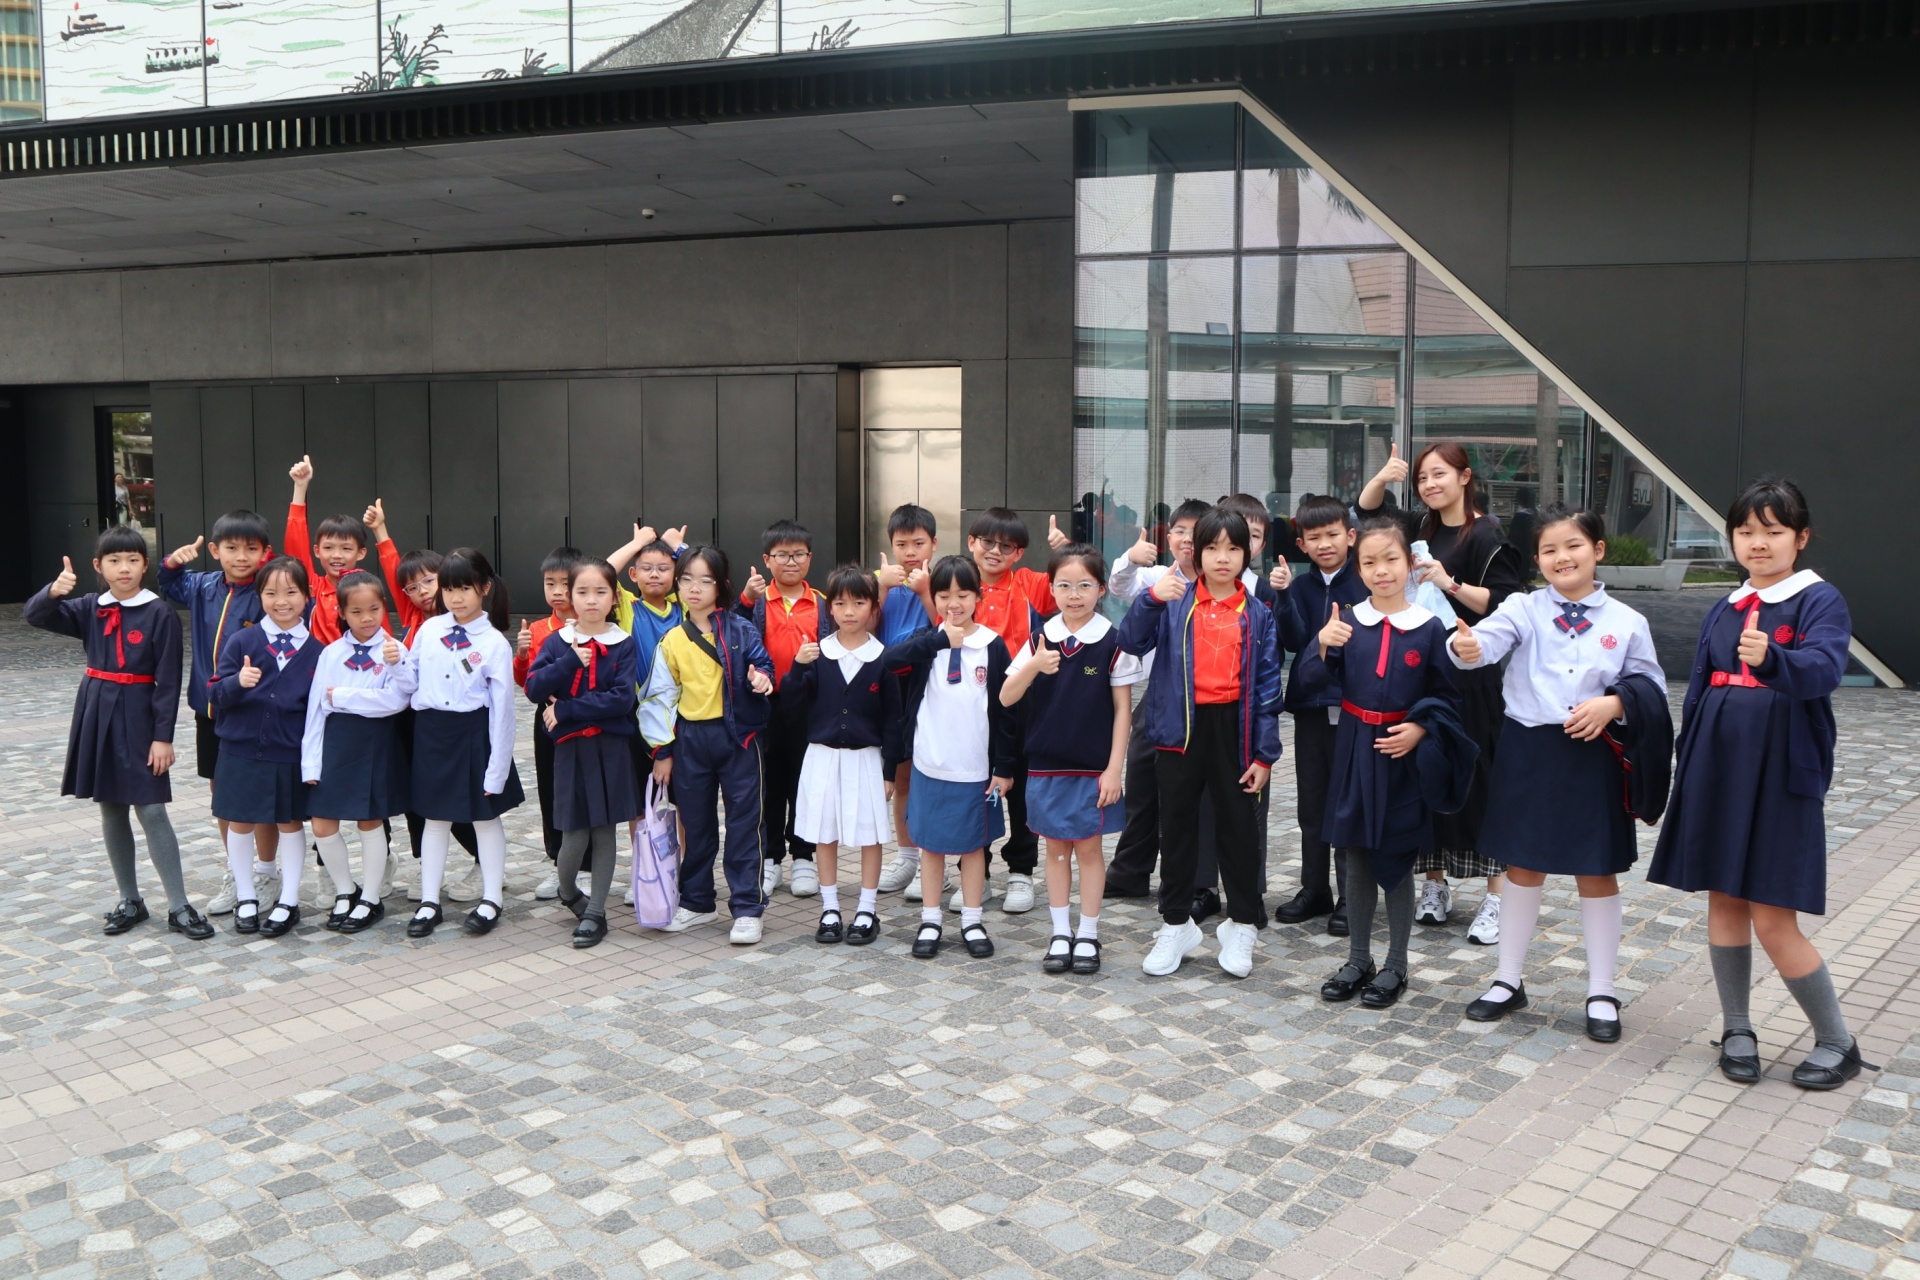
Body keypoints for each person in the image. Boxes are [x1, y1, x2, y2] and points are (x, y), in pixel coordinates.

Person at [1648, 479, 1872, 1090]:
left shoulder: (1819, 601)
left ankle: (1838, 1041)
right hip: (1717, 766)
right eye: (1745, 531)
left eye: (1773, 531)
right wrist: (1687, 760)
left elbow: (1823, 671)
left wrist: (1772, 659)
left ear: (1800, 538)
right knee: (1724, 899)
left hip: (1778, 771)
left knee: (1774, 915)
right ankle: (1737, 1028)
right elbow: (1700, 688)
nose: (1758, 543)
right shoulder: (1727, 604)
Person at [1449, 505, 1668, 1042]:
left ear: (1598, 550)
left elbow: (1652, 687)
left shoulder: (1627, 621)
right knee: (1523, 867)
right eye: (1549, 549)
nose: (1561, 557)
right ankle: (1507, 980)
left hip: (1594, 755)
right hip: (1530, 751)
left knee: (1597, 871)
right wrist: (1465, 646)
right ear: (1538, 559)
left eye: (1573, 545)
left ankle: (1602, 991)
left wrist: (1615, 703)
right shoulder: (1522, 608)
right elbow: (1483, 645)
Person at [1297, 517, 1475, 1010]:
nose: (1381, 570)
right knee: (1355, 854)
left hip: (1402, 756)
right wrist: (1322, 644)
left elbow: (1447, 698)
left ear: (1410, 564)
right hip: (1355, 748)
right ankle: (1358, 958)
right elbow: (1309, 682)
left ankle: (1397, 964)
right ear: (1359, 568)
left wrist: (1420, 729)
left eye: (1391, 559)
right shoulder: (1348, 622)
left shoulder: (1429, 628)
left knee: (1396, 858)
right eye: (1370, 562)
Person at [1357, 441, 1525, 945]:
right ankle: (1435, 884)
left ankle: (1497, 896)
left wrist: (1449, 584)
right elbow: (1367, 513)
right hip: (1424, 671)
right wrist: (1383, 476)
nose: (1429, 485)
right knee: (1427, 773)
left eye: (1439, 475)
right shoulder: (1420, 528)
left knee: (1480, 776)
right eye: (1422, 479)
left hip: (1473, 672)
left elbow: (1505, 602)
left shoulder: (1487, 534)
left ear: (1465, 476)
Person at [1118, 507, 1282, 980]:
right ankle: (1176, 924)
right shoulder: (1173, 600)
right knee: (1177, 829)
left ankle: (1242, 923)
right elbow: (1129, 641)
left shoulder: (1258, 614)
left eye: (1233, 548)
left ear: (1247, 553)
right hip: (1180, 730)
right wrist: (1151, 598)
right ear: (1197, 551)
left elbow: (1268, 689)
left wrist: (1264, 755)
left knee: (1239, 829)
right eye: (1212, 547)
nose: (1222, 557)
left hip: (1235, 731)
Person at [27, 533, 211, 940]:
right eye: (114, 560)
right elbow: (35, 616)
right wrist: (53, 592)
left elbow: (168, 681)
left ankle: (179, 905)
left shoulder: (159, 612)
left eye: (132, 559)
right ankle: (130, 900)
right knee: (110, 806)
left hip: (140, 716)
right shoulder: (89, 607)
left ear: (145, 565)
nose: (124, 568)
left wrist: (163, 737)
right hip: (96, 711)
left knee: (151, 809)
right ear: (99, 566)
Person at [999, 543, 1141, 976]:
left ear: (1101, 589)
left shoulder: (1114, 641)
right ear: (1051, 588)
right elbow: (1006, 696)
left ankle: (1089, 933)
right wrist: (1034, 666)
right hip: (1044, 766)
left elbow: (1123, 710)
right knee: (1055, 850)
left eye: (1084, 585)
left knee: (1090, 850)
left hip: (1093, 769)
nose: (1074, 594)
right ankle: (1060, 933)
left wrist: (1114, 769)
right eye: (1064, 585)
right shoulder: (1039, 638)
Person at [640, 545, 775, 944]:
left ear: (721, 586)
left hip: (739, 738)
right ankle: (697, 902)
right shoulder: (672, 640)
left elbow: (763, 664)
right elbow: (658, 699)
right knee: (696, 826)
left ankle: (747, 907)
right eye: (686, 580)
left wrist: (762, 679)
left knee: (744, 825)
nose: (694, 588)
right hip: (691, 741)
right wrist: (663, 752)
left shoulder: (741, 629)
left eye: (704, 580)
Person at [884, 555, 1016, 960]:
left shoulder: (992, 646)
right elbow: (888, 662)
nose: (953, 603)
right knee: (931, 846)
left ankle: (972, 919)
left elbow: (1006, 711)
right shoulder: (927, 642)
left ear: (979, 596)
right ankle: (930, 920)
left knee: (973, 847)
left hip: (975, 769)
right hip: (929, 765)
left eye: (962, 594)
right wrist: (939, 640)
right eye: (943, 595)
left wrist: (1004, 767)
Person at [401, 548, 524, 938]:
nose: (456, 598)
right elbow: (409, 681)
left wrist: (497, 769)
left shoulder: (494, 643)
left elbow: (504, 710)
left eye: (465, 588)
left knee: (484, 817)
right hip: (431, 733)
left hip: (473, 734)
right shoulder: (429, 630)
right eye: (449, 589)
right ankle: (429, 901)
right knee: (434, 818)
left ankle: (491, 898)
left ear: (484, 588)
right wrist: (394, 662)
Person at [365, 505, 485, 904]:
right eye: (412, 588)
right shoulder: (416, 618)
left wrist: (383, 532)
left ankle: (485, 861)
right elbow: (394, 573)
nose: (422, 592)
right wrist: (380, 533)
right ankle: (424, 865)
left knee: (457, 796)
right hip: (412, 722)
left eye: (430, 581)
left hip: (454, 724)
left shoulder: (464, 620)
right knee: (418, 798)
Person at [158, 510, 275, 915]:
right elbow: (168, 581)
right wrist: (173, 561)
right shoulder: (202, 585)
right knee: (221, 792)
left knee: (259, 792)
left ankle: (267, 872)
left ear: (265, 552)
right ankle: (237, 872)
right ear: (214, 550)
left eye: (251, 549)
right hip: (209, 708)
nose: (241, 557)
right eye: (231, 548)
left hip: (253, 710)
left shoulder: (267, 591)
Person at [526, 558, 642, 949]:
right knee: (573, 833)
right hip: (571, 751)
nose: (591, 600)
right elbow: (534, 689)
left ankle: (595, 912)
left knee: (605, 831)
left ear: (614, 598)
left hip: (610, 749)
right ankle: (568, 891)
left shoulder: (623, 643)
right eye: (583, 592)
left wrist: (567, 709)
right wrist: (569, 663)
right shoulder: (557, 642)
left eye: (600, 592)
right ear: (570, 597)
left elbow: (621, 699)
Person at [1269, 494, 1368, 936]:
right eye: (1314, 537)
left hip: (1353, 707)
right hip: (1310, 705)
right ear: (1301, 544)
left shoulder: (1365, 583)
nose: (1324, 544)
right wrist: (1283, 595)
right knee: (1311, 802)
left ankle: (1351, 895)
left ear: (1351, 536)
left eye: (1333, 534)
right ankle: (1314, 888)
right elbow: (1292, 642)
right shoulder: (1301, 586)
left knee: (1347, 801)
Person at [1103, 497, 1210, 904]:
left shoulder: (1220, 580)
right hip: (1158, 694)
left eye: (1195, 532)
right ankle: (1130, 872)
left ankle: (1191, 881)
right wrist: (1130, 559)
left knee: (1190, 795)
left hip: (1206, 697)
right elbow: (1120, 586)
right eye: (1179, 530)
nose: (1186, 539)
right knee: (1142, 784)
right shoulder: (1156, 576)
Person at [957, 508, 1062, 915]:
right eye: (988, 542)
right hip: (969, 697)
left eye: (1007, 546)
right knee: (974, 782)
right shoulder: (960, 582)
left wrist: (1063, 549)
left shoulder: (1028, 583)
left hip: (1021, 695)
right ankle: (975, 870)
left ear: (1019, 553)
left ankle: (1021, 870)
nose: (995, 551)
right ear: (971, 542)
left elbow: (1067, 581)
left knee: (1021, 783)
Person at [210, 555, 321, 938]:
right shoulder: (242, 641)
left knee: (289, 823)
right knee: (240, 821)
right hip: (239, 750)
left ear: (306, 595)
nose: (281, 601)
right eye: (271, 593)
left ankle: (289, 900)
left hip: (288, 753)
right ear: (260, 596)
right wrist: (237, 682)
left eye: (291, 592)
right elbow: (215, 693)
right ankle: (246, 896)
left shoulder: (318, 652)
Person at [786, 565, 897, 946]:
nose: (849, 611)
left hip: (866, 758)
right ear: (829, 608)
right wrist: (797, 667)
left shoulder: (883, 658)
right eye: (840, 603)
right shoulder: (817, 654)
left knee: (870, 834)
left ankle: (867, 909)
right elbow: (791, 706)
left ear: (874, 607)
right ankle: (830, 908)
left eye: (859, 603)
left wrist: (890, 770)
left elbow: (893, 719)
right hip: (822, 757)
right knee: (825, 831)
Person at [301, 571, 414, 933]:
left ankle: (371, 897)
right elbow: (317, 708)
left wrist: (344, 696)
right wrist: (310, 763)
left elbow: (396, 701)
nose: (367, 618)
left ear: (384, 607)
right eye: (357, 612)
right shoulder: (331, 653)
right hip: (335, 744)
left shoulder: (394, 650)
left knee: (370, 820)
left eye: (374, 609)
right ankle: (345, 890)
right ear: (342, 613)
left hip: (375, 742)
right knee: (322, 823)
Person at [737, 519, 826, 901]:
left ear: (810, 558)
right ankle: (771, 856)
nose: (791, 562)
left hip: (808, 705)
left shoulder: (821, 602)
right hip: (765, 704)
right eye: (782, 555)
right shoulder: (757, 601)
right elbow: (732, 634)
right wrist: (745, 599)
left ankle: (804, 856)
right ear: (766, 559)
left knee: (805, 781)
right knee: (769, 784)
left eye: (798, 554)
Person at [874, 504, 940, 898]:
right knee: (901, 777)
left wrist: (926, 592)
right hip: (890, 689)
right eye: (902, 544)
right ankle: (907, 857)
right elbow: (865, 628)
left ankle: (935, 862)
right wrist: (881, 588)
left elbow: (948, 627)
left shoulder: (944, 580)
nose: (910, 551)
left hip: (928, 688)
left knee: (928, 776)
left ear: (934, 543)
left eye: (918, 543)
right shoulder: (882, 582)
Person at [515, 545, 587, 884]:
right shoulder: (539, 628)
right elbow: (526, 683)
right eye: (550, 583)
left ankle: (584, 865)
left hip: (581, 716)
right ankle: (557, 860)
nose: (557, 591)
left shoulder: (592, 624)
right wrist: (522, 656)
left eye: (565, 584)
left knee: (582, 790)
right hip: (546, 716)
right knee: (550, 787)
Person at [284, 455, 383, 646]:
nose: (336, 555)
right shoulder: (313, 587)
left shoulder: (369, 590)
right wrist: (300, 487)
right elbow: (295, 546)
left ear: (361, 553)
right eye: (328, 547)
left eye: (346, 548)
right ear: (317, 550)